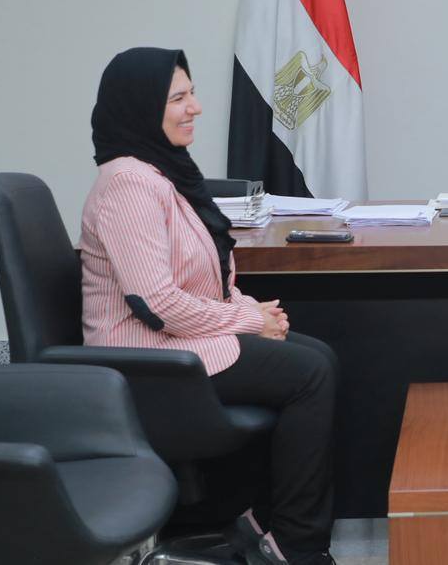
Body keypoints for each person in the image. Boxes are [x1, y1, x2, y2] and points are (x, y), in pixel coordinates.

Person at [79, 47, 338, 565]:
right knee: (311, 373)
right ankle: (297, 548)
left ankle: (263, 525)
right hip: (147, 358)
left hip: (177, 342)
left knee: (318, 357)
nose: (195, 107)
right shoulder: (129, 183)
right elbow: (156, 304)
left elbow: (203, 280)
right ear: (140, 107)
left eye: (192, 94)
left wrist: (254, 311)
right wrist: (247, 320)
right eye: (178, 98)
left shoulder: (161, 173)